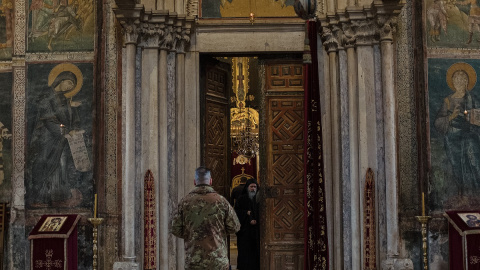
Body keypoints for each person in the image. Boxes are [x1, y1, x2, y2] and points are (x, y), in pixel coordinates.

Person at [27, 67, 83, 207]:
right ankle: (40, 198)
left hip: (60, 139)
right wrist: (66, 131)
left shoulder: (64, 99)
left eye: (73, 86)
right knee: (44, 163)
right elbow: (48, 118)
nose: (70, 87)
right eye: (69, 83)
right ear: (60, 80)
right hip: (46, 137)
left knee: (61, 165)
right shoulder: (47, 95)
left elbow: (66, 118)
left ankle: (58, 197)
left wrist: (72, 109)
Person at [171, 166, 240, 270]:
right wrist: (218, 232)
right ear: (211, 181)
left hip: (194, 261)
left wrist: (192, 233)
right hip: (218, 261)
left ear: (195, 182)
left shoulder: (184, 202)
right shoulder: (221, 201)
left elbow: (175, 229)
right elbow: (235, 227)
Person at [434, 62, 480, 195]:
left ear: (467, 81)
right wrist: (451, 117)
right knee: (457, 167)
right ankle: (461, 195)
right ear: (453, 82)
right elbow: (438, 122)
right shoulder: (448, 101)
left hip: (471, 136)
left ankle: (475, 194)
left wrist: (473, 118)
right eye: (457, 79)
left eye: (462, 79)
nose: (459, 82)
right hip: (453, 138)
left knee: (474, 164)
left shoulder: (473, 98)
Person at [234, 178, 260, 270]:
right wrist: (246, 213)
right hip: (244, 230)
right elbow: (236, 211)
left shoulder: (259, 198)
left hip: (256, 230)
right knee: (245, 251)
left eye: (255, 187)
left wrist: (256, 219)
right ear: (247, 187)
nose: (253, 189)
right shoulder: (242, 198)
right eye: (251, 186)